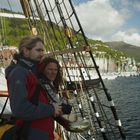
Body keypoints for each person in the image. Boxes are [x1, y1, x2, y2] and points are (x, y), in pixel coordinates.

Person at [5, 36, 63, 140]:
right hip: (32, 132)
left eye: (42, 51)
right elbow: (20, 109)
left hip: (42, 132)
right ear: (26, 51)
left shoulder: (31, 71)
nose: (42, 54)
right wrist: (51, 109)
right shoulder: (19, 73)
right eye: (38, 50)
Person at [38, 57, 72, 129]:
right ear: (43, 70)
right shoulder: (43, 84)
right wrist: (64, 102)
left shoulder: (50, 82)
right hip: (41, 126)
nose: (53, 72)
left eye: (55, 70)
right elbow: (58, 107)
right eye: (50, 69)